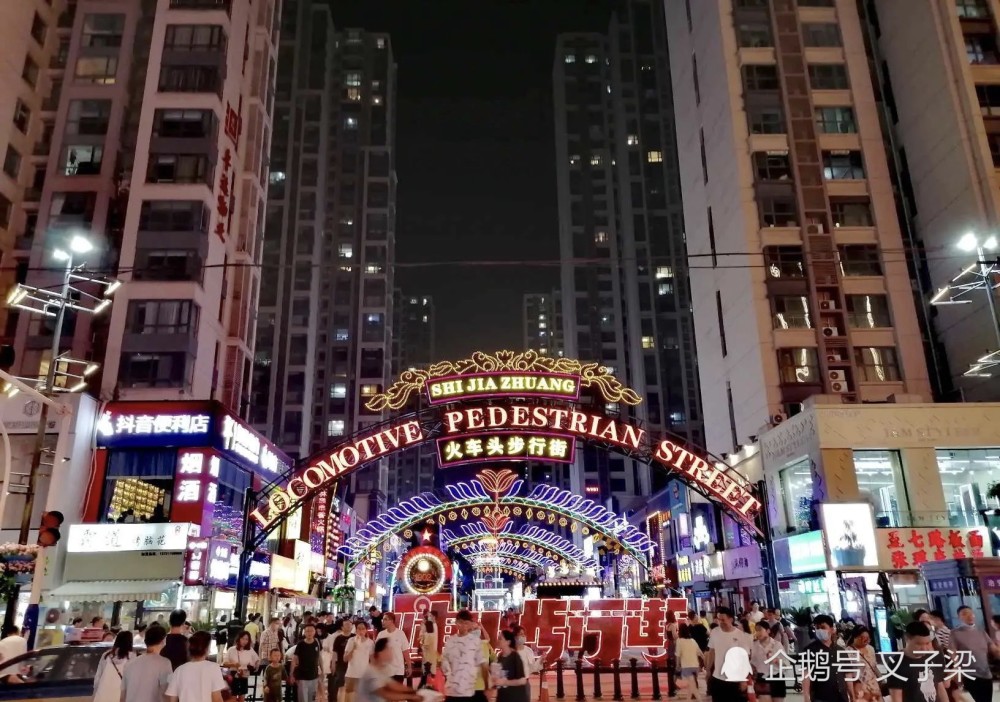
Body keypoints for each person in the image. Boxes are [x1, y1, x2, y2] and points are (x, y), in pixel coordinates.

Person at [886, 621, 947, 702]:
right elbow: (896, 697)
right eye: (919, 644)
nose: (924, 648)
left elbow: (940, 687)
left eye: (927, 643)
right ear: (907, 639)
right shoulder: (895, 663)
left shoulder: (933, 657)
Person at [950, 605, 999, 702]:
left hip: (986, 673)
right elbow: (953, 653)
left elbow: (993, 649)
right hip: (969, 675)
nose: (969, 616)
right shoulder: (955, 633)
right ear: (959, 617)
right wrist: (956, 671)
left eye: (971, 613)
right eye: (965, 614)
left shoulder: (981, 632)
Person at [441, 610, 490, 702]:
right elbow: (444, 663)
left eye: (466, 623)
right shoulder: (450, 642)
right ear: (456, 623)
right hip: (452, 691)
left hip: (468, 691)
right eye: (460, 622)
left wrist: (486, 686)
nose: (463, 625)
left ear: (470, 624)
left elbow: (483, 665)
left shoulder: (475, 642)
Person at [704, 606, 752, 700]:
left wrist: (743, 679)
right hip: (718, 677)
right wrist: (708, 670)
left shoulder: (740, 635)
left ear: (731, 619)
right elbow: (712, 652)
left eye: (723, 620)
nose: (720, 622)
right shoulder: (715, 632)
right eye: (718, 619)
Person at [166, 630, 228, 702]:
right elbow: (217, 698)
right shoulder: (213, 668)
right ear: (207, 649)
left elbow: (172, 699)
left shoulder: (179, 670)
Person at [801, 614, 850, 702]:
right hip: (821, 697)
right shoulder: (809, 650)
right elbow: (806, 675)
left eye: (823, 627)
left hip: (841, 697)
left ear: (831, 629)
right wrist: (806, 697)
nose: (819, 630)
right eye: (817, 628)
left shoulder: (841, 651)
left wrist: (852, 694)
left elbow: (847, 674)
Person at [355, 638, 422, 702]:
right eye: (388, 649)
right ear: (381, 653)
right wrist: (410, 697)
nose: (391, 652)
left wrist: (414, 691)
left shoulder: (382, 668)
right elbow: (386, 694)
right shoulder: (371, 672)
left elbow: (393, 685)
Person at [122, 624, 172, 702]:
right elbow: (167, 693)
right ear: (163, 640)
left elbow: (123, 694)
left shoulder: (130, 663)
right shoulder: (164, 663)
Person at [93, 631, 135, 702]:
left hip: (102, 694)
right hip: (118, 696)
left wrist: (95, 693)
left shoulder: (106, 655)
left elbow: (98, 676)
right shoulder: (132, 657)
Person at [750, 621, 785, 702]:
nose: (757, 633)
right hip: (761, 678)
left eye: (760, 630)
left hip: (777, 677)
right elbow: (752, 663)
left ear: (768, 631)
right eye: (756, 630)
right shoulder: (754, 645)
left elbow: (785, 664)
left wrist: (775, 660)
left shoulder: (777, 644)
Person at [846, 626, 882, 702]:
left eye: (868, 638)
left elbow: (874, 666)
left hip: (874, 687)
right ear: (855, 637)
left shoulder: (871, 649)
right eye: (862, 637)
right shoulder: (848, 652)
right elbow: (848, 674)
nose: (866, 640)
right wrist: (852, 694)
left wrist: (881, 678)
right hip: (860, 689)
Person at [493, 630, 529, 702]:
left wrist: (505, 682)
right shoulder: (500, 657)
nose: (498, 640)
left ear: (508, 642)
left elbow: (522, 681)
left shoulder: (515, 657)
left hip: (515, 697)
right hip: (503, 696)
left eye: (500, 639)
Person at [225, 630, 260, 702]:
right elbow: (224, 663)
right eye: (243, 638)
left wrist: (255, 666)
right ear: (239, 638)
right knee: (233, 698)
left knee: (242, 698)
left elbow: (257, 660)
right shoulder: (231, 650)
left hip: (244, 675)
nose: (245, 641)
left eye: (247, 639)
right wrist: (234, 664)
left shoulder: (250, 650)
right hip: (233, 675)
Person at [292, 622, 323, 702]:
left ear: (314, 632)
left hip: (314, 675)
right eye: (307, 631)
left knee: (312, 698)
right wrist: (291, 674)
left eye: (311, 631)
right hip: (302, 677)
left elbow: (319, 657)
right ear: (304, 632)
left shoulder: (317, 642)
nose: (309, 633)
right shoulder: (301, 644)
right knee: (303, 699)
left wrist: (322, 670)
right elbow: (294, 659)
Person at [326, 617, 354, 702]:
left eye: (350, 624)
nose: (348, 626)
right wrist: (333, 664)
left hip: (352, 665)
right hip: (341, 665)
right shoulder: (338, 638)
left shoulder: (354, 637)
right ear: (342, 627)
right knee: (340, 685)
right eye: (346, 625)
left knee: (351, 687)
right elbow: (335, 653)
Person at [345, 621, 374, 702]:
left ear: (366, 630)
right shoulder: (351, 640)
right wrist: (353, 648)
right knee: (349, 698)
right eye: (359, 628)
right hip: (351, 674)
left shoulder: (370, 643)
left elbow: (372, 660)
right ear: (356, 629)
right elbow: (345, 659)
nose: (361, 631)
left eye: (363, 629)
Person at [376, 613, 409, 683]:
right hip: (384, 671)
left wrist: (409, 666)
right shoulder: (381, 634)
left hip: (398, 670)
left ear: (391, 621)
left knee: (397, 692)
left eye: (385, 619)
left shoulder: (400, 633)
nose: (383, 621)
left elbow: (405, 651)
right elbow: (377, 652)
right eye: (383, 619)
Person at [675, 624, 704, 701]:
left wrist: (677, 665)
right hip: (695, 666)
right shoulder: (692, 641)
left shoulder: (679, 641)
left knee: (692, 687)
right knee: (691, 686)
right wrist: (704, 660)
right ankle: (688, 700)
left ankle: (700, 700)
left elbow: (678, 654)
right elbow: (699, 652)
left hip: (686, 666)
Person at [420, 611, 440, 687]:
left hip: (429, 654)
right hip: (430, 654)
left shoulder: (433, 627)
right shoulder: (433, 626)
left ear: (434, 617)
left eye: (430, 616)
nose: (429, 617)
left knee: (428, 672)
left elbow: (427, 643)